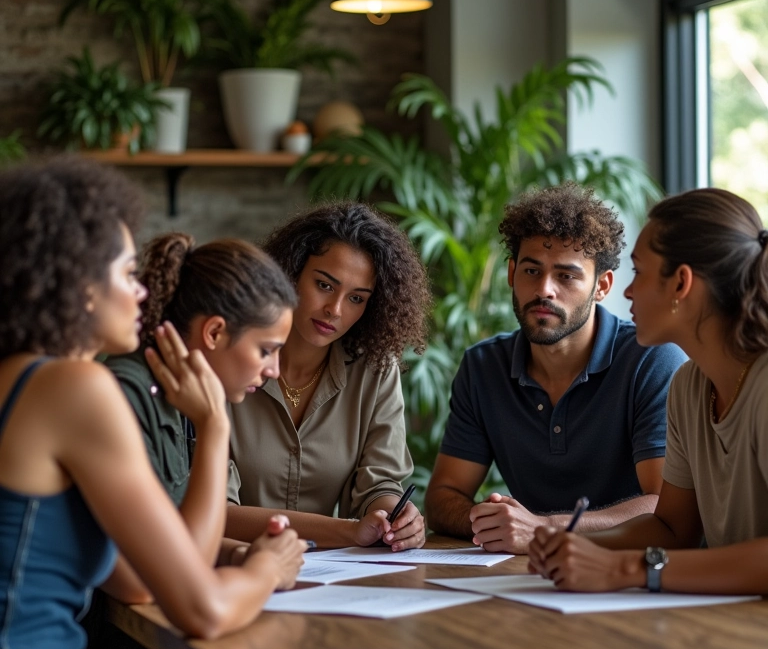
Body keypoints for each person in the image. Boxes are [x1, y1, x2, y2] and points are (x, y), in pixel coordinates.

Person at [0, 156, 305, 649]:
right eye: (124, 271)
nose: (142, 290)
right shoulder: (74, 389)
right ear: (75, 283)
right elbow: (205, 610)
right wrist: (268, 567)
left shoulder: (21, 384)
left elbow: (143, 582)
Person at [425, 183, 688, 553]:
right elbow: (442, 497)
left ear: (602, 286)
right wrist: (493, 524)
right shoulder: (483, 366)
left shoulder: (651, 359)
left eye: (566, 276)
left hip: (634, 572)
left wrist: (544, 528)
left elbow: (663, 504)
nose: (544, 289)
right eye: (532, 271)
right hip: (532, 573)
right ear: (511, 274)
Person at [529, 188, 768, 594]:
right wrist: (573, 546)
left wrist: (622, 569)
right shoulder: (689, 387)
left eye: (638, 272)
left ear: (681, 283)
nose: (627, 292)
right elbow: (673, 528)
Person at [81, 231, 297, 649]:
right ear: (215, 332)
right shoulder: (127, 395)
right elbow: (154, 581)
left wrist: (240, 555)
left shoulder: (177, 393)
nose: (273, 371)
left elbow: (173, 538)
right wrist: (216, 429)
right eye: (266, 350)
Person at [228, 202, 431, 551]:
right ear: (289, 273)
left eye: (356, 298)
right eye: (324, 284)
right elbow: (216, 512)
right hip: (232, 567)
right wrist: (348, 532)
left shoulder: (375, 372)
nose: (335, 310)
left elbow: (379, 484)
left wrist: (391, 520)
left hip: (331, 578)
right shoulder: (229, 361)